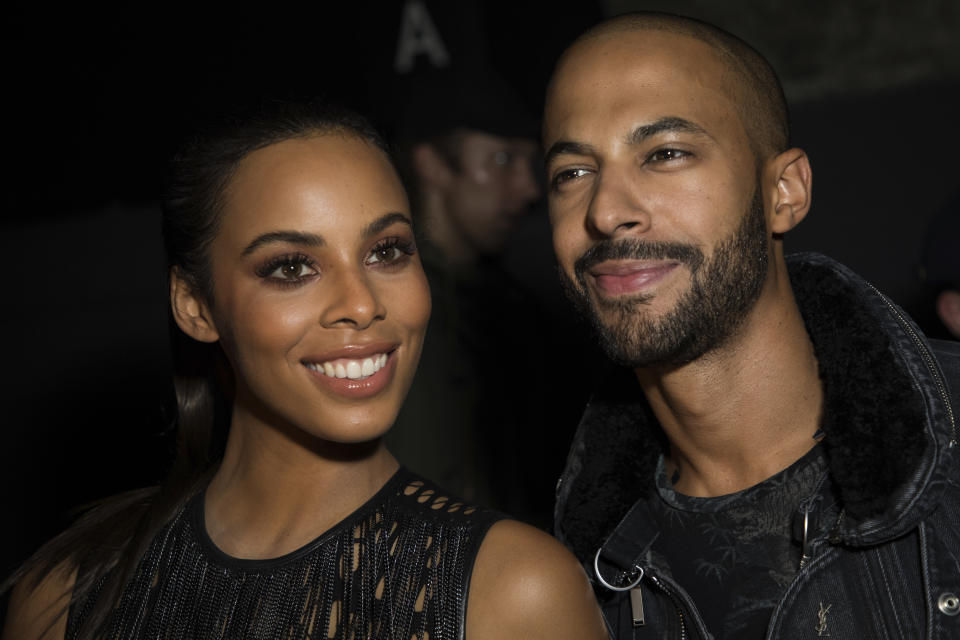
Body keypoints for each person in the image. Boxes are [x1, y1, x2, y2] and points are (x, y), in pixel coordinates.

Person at [2, 102, 608, 640]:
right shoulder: (65, 595)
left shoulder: (513, 592)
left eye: (387, 251)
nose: (362, 303)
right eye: (292, 267)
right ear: (195, 304)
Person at [543, 12, 960, 640]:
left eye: (665, 154)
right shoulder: (565, 581)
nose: (605, 210)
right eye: (572, 173)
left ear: (784, 192)